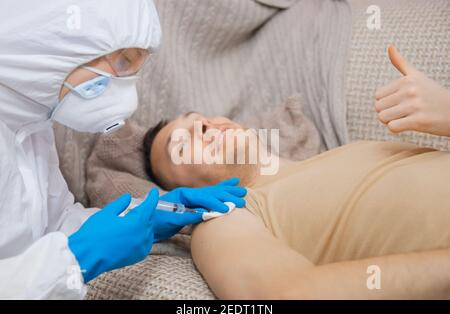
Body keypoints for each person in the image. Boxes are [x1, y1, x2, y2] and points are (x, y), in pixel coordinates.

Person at [141, 46, 450, 299]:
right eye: (181, 146)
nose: (202, 127)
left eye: (200, 119)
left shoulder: (346, 151)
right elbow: (284, 294)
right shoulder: (226, 217)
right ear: (182, 191)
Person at [0, 0, 246, 299]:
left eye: (134, 68)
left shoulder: (31, 124)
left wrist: (151, 213)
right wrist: (75, 260)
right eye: (122, 62)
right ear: (54, 42)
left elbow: (51, 226)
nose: (126, 91)